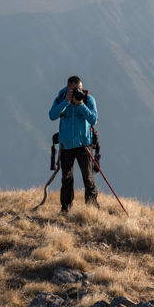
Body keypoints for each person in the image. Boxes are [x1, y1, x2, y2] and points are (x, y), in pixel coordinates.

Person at [48, 76, 98, 212]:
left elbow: (94, 119)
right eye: (75, 89)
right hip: (66, 146)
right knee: (66, 179)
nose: (78, 92)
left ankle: (91, 209)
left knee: (88, 178)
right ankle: (66, 208)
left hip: (84, 145)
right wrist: (66, 101)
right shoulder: (61, 99)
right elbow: (52, 116)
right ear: (68, 88)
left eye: (80, 89)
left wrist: (80, 105)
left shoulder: (88, 99)